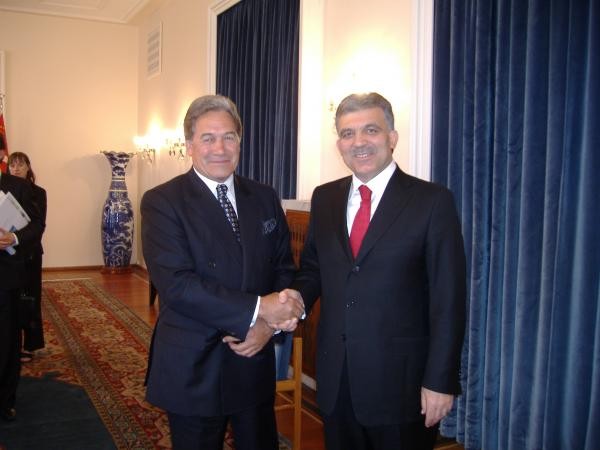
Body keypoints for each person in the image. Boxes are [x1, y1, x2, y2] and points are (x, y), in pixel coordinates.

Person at [289, 92, 467, 450]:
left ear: (392, 137)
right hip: (337, 379)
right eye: (347, 133)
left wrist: (440, 380)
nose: (359, 142)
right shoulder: (325, 198)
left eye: (370, 130)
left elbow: (449, 300)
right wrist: (294, 299)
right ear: (338, 143)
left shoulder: (432, 202)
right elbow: (313, 268)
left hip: (402, 387)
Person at [141, 94, 304, 450]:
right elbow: (178, 286)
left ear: (240, 143)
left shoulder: (263, 196)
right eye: (208, 138)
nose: (220, 147)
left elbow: (283, 269)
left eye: (229, 137)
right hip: (195, 364)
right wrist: (258, 311)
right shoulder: (162, 201)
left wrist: (266, 327)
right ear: (188, 146)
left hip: (252, 358)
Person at [0, 169, 44, 421]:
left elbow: (37, 224)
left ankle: (5, 400)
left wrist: (14, 237)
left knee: (7, 340)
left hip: (6, 278)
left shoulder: (18, 187)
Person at [8, 152, 47, 362]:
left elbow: (39, 225)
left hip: (30, 251)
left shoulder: (38, 193)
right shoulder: (4, 190)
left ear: (28, 167)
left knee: (31, 297)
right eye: (12, 165)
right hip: (7, 254)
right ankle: (13, 345)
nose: (16, 168)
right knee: (12, 299)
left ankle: (33, 343)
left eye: (20, 164)